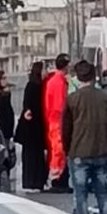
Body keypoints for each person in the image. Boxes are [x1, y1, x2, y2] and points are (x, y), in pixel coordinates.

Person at [62, 59, 107, 214]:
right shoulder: (106, 98)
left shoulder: (72, 99)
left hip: (79, 152)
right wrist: (106, 143)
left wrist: (68, 149)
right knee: (102, 191)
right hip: (101, 152)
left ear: (78, 78)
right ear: (94, 76)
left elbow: (66, 129)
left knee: (80, 193)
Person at [15, 62, 47, 192]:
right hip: (34, 127)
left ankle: (32, 181)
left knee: (32, 155)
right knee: (34, 155)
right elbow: (28, 104)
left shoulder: (34, 85)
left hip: (33, 126)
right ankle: (34, 181)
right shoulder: (36, 86)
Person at [43, 54, 71, 192]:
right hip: (58, 121)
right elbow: (61, 105)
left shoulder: (53, 81)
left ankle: (56, 177)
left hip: (53, 120)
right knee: (59, 152)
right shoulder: (59, 82)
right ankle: (57, 179)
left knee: (56, 151)